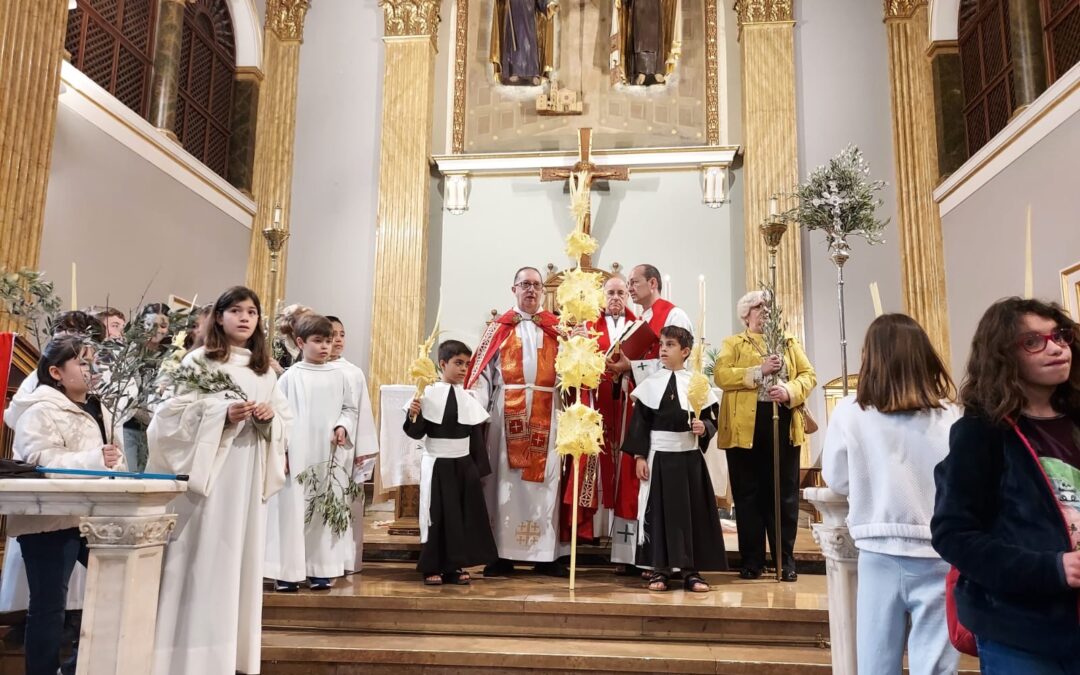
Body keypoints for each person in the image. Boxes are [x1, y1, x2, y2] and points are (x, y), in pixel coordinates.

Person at [147, 286, 292, 675]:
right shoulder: (198, 362)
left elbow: (285, 422)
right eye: (236, 311)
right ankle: (184, 657)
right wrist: (221, 414)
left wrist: (268, 419)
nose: (245, 318)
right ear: (220, 317)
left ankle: (228, 656)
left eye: (252, 312)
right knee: (200, 558)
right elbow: (168, 418)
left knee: (237, 561)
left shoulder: (264, 370)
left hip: (246, 477)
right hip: (208, 480)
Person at [932, 297, 1080, 671]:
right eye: (1034, 341)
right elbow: (954, 534)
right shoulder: (981, 433)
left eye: (1060, 336)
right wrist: (1053, 568)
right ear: (1003, 356)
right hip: (1021, 630)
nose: (1056, 348)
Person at [822, 314, 960, 675]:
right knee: (935, 665)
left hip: (878, 550)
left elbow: (837, 479)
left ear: (871, 357)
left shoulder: (850, 412)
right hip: (938, 551)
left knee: (875, 662)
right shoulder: (951, 415)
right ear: (923, 356)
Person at [6, 335, 126, 675]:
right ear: (56, 372)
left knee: (118, 593)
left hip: (95, 517)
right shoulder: (39, 409)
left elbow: (113, 455)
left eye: (95, 362)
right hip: (50, 518)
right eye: (83, 362)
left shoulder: (100, 406)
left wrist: (114, 461)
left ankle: (75, 669)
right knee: (49, 608)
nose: (93, 369)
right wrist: (95, 458)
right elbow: (39, 460)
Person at [466, 266, 568, 577]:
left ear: (543, 292)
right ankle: (500, 555)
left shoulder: (558, 329)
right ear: (514, 289)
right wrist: (475, 408)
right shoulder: (499, 328)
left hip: (547, 412)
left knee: (547, 481)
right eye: (525, 284)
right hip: (505, 414)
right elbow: (481, 374)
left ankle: (546, 555)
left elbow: (571, 374)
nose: (531, 290)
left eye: (536, 285)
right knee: (503, 483)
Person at [714, 290, 816, 582]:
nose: (766, 311)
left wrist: (788, 390)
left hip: (781, 421)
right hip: (744, 427)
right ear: (745, 314)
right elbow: (721, 375)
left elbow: (808, 375)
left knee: (783, 495)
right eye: (759, 307)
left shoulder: (787, 342)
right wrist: (757, 371)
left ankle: (785, 560)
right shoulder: (733, 343)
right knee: (748, 495)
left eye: (769, 306)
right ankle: (752, 560)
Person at [607, 264, 694, 569]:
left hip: (663, 410)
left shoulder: (673, 315)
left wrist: (630, 367)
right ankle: (630, 555)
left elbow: (680, 366)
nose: (629, 289)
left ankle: (656, 557)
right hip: (640, 403)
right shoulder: (639, 319)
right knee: (631, 479)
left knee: (651, 483)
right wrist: (622, 369)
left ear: (653, 283)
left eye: (634, 283)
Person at [625, 326, 724, 592]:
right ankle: (660, 569)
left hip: (689, 459)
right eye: (661, 344)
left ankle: (692, 571)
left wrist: (704, 428)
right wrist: (638, 457)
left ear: (686, 351)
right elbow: (639, 425)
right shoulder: (651, 385)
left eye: (670, 345)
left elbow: (712, 420)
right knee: (658, 514)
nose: (663, 349)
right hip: (658, 459)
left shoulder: (698, 384)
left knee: (690, 515)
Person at [266, 314, 359, 592]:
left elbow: (349, 409)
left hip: (327, 454)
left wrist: (343, 426)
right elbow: (278, 418)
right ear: (300, 342)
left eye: (328, 341)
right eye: (318, 341)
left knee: (322, 510)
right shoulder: (289, 378)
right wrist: (281, 453)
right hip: (297, 454)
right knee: (293, 511)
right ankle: (288, 572)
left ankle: (320, 569)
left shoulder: (340, 376)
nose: (325, 347)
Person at [405, 340, 498, 585]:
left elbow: (475, 437)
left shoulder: (467, 397)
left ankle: (454, 566)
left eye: (467, 364)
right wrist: (413, 413)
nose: (463, 369)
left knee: (459, 517)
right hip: (438, 464)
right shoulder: (427, 393)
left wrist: (476, 469)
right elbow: (416, 432)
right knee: (436, 516)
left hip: (462, 465)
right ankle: (431, 565)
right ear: (442, 363)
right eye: (458, 363)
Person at [561, 275, 635, 548]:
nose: (615, 297)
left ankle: (623, 532)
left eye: (621, 292)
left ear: (628, 296)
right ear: (602, 296)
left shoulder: (638, 326)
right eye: (611, 292)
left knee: (624, 461)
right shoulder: (588, 326)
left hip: (627, 402)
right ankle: (593, 527)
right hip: (598, 401)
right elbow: (572, 363)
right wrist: (575, 342)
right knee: (599, 459)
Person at [326, 316, 380, 570]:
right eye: (331, 334)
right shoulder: (300, 370)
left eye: (342, 334)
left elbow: (362, 413)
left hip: (344, 451)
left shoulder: (352, 372)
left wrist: (363, 454)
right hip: (313, 449)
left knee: (344, 503)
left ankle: (344, 561)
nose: (337, 339)